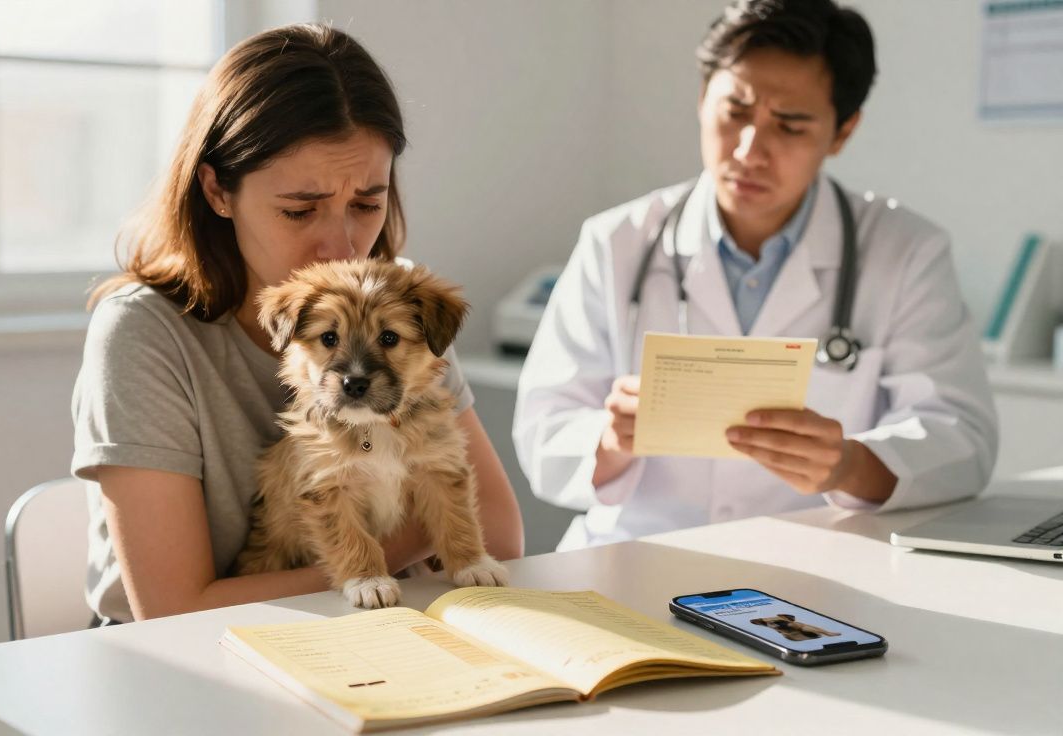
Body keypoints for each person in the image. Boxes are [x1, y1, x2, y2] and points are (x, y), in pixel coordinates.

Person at [72, 24, 524, 623]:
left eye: (366, 203)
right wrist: (380, 558)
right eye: (299, 210)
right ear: (217, 190)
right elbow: (173, 609)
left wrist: (412, 553)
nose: (341, 246)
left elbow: (501, 535)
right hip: (183, 656)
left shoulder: (394, 300)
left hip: (378, 630)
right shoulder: (144, 335)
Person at [513, 0, 997, 551]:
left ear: (842, 131)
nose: (749, 150)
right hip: (634, 554)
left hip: (819, 565)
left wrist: (849, 464)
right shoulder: (616, 241)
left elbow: (962, 437)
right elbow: (543, 431)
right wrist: (609, 439)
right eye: (735, 111)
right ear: (702, 99)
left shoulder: (906, 251)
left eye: (789, 125)